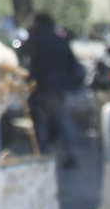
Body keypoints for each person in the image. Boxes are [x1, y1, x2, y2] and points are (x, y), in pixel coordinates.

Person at [26, 12, 84, 169]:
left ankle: (42, 157)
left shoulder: (36, 40)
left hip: (43, 87)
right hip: (60, 88)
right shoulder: (61, 40)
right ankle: (70, 153)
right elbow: (72, 64)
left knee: (41, 123)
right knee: (63, 121)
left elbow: (33, 64)